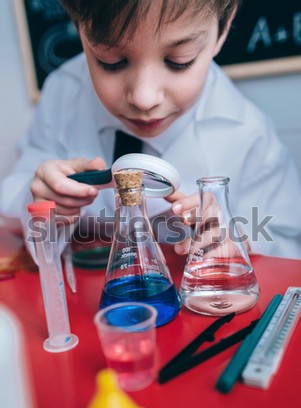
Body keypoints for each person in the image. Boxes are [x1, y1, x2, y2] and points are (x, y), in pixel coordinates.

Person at [1, 0, 301, 260]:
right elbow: (12, 201)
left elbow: (286, 243)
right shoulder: (63, 93)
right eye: (111, 61)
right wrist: (44, 199)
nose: (144, 98)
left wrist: (242, 240)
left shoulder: (249, 135)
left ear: (222, 29)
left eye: (178, 62)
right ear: (80, 31)